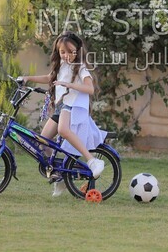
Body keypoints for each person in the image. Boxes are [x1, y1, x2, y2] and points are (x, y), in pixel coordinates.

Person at [18, 31, 107, 196]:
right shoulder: (62, 66)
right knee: (42, 143)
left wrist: (69, 85)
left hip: (72, 107)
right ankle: (61, 175)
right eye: (62, 52)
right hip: (61, 107)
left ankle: (92, 161)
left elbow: (90, 89)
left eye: (70, 51)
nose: (66, 55)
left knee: (63, 131)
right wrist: (27, 78)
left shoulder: (80, 68)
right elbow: (49, 77)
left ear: (77, 51)